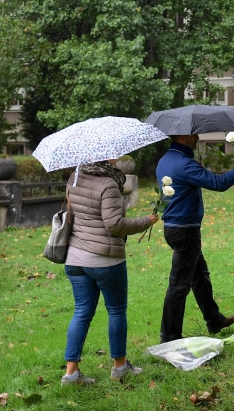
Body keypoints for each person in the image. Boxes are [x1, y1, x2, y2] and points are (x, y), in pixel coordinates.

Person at [61, 159, 158, 385]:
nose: (117, 158)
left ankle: (71, 374)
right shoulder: (108, 184)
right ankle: (120, 368)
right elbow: (114, 224)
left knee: (81, 312)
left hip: (75, 258)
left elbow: (72, 213)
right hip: (104, 259)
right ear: (107, 156)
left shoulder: (74, 178)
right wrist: (147, 220)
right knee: (116, 311)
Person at [156, 134, 234, 343]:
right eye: (194, 135)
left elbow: (183, 183)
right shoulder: (185, 164)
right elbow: (219, 183)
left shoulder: (166, 159)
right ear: (184, 136)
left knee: (199, 275)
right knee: (179, 286)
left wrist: (197, 171)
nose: (197, 137)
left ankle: (214, 320)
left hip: (174, 227)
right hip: (186, 230)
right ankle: (169, 338)